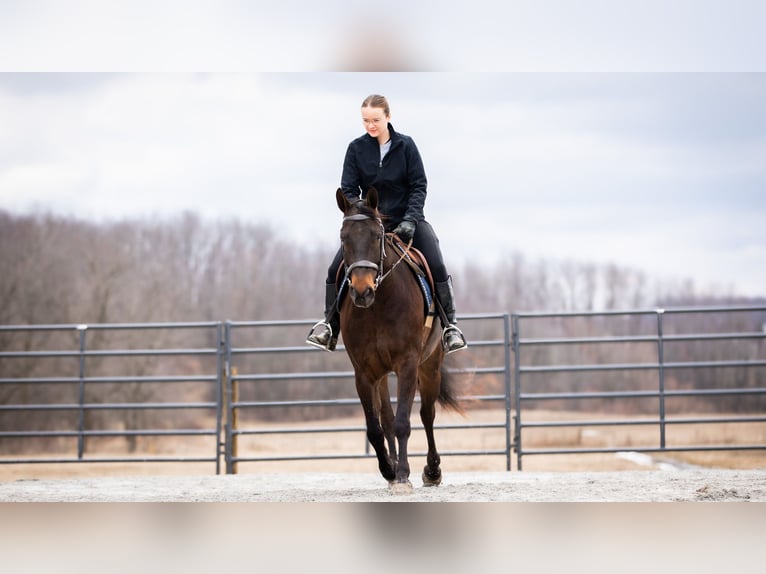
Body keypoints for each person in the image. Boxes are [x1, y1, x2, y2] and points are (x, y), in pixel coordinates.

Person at [306, 94, 467, 354]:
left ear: (388, 117)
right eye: (366, 120)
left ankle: (450, 327)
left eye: (375, 120)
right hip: (369, 225)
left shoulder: (406, 146)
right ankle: (330, 327)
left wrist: (411, 220)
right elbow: (348, 188)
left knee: (435, 263)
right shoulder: (355, 149)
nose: (370, 125)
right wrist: (361, 213)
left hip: (407, 221)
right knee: (334, 269)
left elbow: (418, 185)